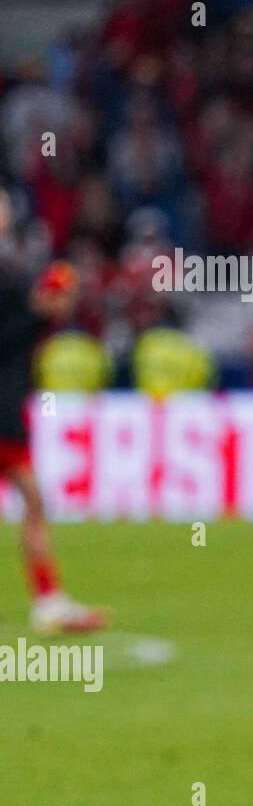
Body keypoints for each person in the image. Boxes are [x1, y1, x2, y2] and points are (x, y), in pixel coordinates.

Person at [0, 258, 109, 634]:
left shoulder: (27, 308)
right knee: (33, 502)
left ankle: (49, 602)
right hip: (3, 419)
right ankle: (49, 602)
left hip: (10, 419)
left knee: (34, 502)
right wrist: (35, 314)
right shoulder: (14, 297)